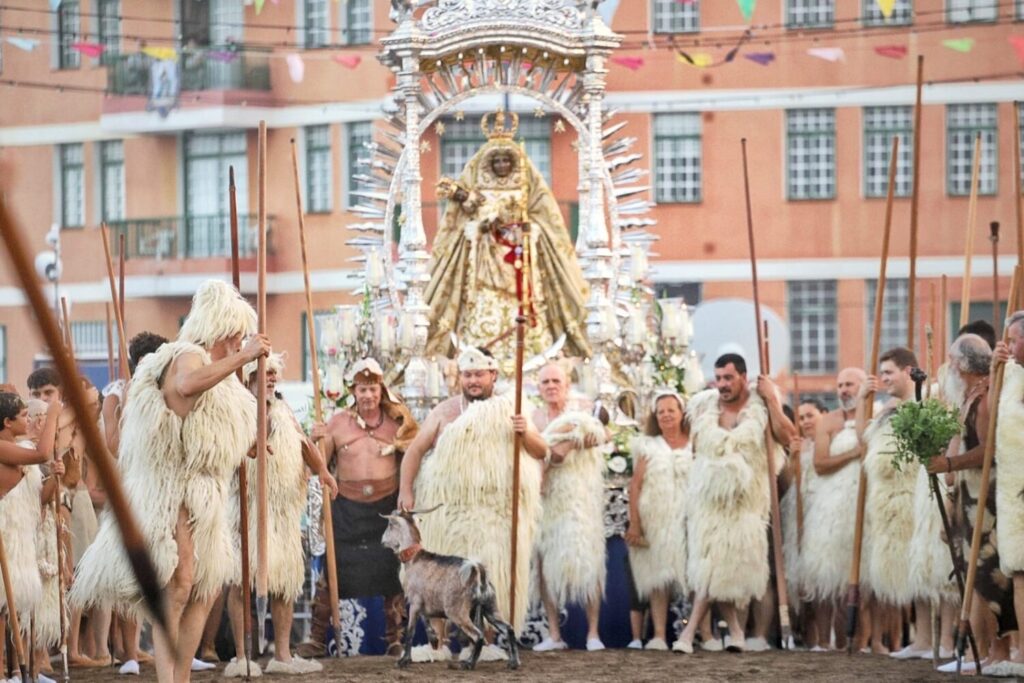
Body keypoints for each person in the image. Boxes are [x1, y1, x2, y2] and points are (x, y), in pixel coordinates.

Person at [70, 279, 269, 683]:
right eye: (237, 335)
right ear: (223, 329)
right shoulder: (186, 356)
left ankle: (181, 676)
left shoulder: (228, 383)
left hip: (208, 494)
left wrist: (259, 393)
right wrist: (244, 356)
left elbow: (251, 447)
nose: (240, 343)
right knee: (179, 584)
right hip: (174, 489)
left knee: (203, 588)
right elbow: (185, 387)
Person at [398, 346, 545, 661]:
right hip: (448, 511)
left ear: (493, 375)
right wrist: (405, 491)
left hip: (491, 514)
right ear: (460, 377)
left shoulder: (511, 410)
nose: (474, 380)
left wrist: (524, 433)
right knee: (440, 576)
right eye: (468, 374)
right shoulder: (445, 411)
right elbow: (414, 451)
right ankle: (439, 645)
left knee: (486, 577)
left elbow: (541, 450)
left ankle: (486, 642)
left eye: (479, 374)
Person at [424, 111, 590, 370]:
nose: (502, 165)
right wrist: (485, 224)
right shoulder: (477, 193)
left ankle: (531, 352)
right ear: (489, 164)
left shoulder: (527, 188)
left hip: (519, 263)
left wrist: (525, 229)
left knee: (522, 306)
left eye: (505, 160)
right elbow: (462, 226)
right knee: (484, 305)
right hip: (484, 263)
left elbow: (544, 221)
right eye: (497, 161)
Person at [224, 353, 336, 676]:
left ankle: (283, 655)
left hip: (285, 510)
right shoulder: (238, 409)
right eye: (264, 373)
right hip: (249, 506)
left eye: (273, 372)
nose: (271, 378)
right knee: (241, 578)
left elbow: (304, 444)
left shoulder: (284, 407)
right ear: (247, 378)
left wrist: (323, 473)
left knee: (285, 580)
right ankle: (241, 655)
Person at [675, 353, 796, 653]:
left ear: (743, 376)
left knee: (723, 567)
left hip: (746, 503)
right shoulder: (704, 408)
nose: (722, 385)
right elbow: (695, 452)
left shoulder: (761, 406)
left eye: (728, 378)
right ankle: (733, 634)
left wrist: (773, 402)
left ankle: (690, 634)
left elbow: (789, 436)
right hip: (709, 502)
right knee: (714, 565)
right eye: (718, 378)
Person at [302, 358, 417, 658]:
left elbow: (411, 461)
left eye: (373, 388)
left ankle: (394, 638)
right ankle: (316, 638)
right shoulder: (337, 423)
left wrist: (406, 495)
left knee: (392, 570)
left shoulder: (398, 424)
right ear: (353, 391)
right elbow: (318, 465)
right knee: (333, 567)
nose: (368, 395)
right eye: (362, 389)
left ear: (381, 390)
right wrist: (315, 441)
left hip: (386, 508)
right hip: (347, 509)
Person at [930, 333, 1018, 672]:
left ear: (963, 364)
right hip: (967, 497)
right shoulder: (967, 395)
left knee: (987, 576)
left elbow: (987, 451)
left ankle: (1000, 651)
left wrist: (949, 465)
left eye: (952, 359)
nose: (947, 366)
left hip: (987, 498)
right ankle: (980, 654)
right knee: (970, 577)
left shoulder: (984, 401)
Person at [96, 331, 168, 676]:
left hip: (166, 489)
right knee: (131, 572)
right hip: (131, 489)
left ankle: (173, 648)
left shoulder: (169, 391)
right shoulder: (116, 395)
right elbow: (113, 445)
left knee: (171, 571)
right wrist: (130, 409)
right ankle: (129, 655)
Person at [530, 363, 608, 653]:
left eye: (556, 381)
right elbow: (531, 452)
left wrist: (584, 439)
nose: (551, 386)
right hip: (546, 497)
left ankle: (593, 633)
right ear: (539, 387)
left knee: (589, 561)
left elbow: (606, 435)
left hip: (578, 497)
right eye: (545, 381)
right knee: (544, 563)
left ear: (566, 384)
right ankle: (554, 634)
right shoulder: (534, 417)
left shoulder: (583, 410)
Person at [857, 347, 919, 654]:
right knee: (896, 571)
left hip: (914, 498)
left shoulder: (923, 403)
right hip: (888, 502)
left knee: (921, 569)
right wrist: (861, 402)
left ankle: (926, 639)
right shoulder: (887, 408)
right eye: (881, 374)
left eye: (888, 372)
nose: (883, 379)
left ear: (908, 371)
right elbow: (863, 440)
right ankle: (921, 641)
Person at [0, 391, 62, 681]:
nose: (29, 420)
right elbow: (42, 453)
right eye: (24, 416)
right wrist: (52, 414)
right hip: (6, 533)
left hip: (17, 536)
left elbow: (39, 499)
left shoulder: (12, 448)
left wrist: (53, 474)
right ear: (6, 422)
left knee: (4, 608)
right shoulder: (1, 447)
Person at [623, 391, 691, 652]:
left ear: (681, 413)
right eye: (660, 411)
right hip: (657, 521)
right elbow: (636, 486)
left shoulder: (694, 443)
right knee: (658, 579)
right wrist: (635, 522)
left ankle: (704, 633)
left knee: (695, 578)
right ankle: (659, 635)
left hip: (688, 519)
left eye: (670, 410)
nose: (665, 415)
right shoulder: (648, 447)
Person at [807, 368, 867, 652]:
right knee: (825, 574)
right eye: (840, 384)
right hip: (830, 503)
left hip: (864, 501)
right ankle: (822, 641)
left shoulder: (875, 417)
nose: (843, 389)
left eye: (849, 384)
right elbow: (819, 464)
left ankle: (858, 641)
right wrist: (852, 454)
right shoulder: (828, 421)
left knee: (859, 577)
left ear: (863, 386)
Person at [780, 398, 826, 650]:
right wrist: (793, 459)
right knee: (800, 579)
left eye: (810, 415)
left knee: (818, 578)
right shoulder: (798, 445)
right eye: (801, 418)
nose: (806, 421)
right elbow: (789, 483)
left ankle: (823, 636)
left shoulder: (829, 441)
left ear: (823, 415)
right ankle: (804, 635)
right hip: (798, 512)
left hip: (822, 511)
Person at [994, 310, 1024, 667]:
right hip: (1015, 490)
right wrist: (995, 370)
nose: (1009, 347)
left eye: (1014, 340)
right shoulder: (1010, 376)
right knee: (1019, 572)